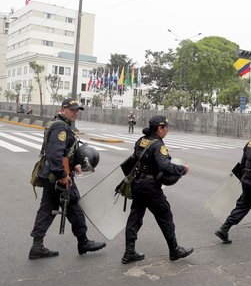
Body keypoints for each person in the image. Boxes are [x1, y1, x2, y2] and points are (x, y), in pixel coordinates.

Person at [29, 98, 106, 259]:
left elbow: (63, 152)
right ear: (62, 109)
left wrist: (72, 165)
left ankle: (37, 246)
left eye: (77, 110)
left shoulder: (57, 123)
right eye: (72, 109)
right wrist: (63, 175)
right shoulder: (60, 127)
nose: (75, 112)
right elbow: (54, 155)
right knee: (74, 207)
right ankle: (83, 242)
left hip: (52, 175)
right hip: (58, 177)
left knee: (46, 209)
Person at [122, 115, 193, 264]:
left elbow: (135, 159)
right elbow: (165, 165)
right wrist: (182, 169)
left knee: (135, 217)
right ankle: (174, 250)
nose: (167, 130)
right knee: (165, 215)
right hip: (150, 188)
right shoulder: (157, 144)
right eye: (166, 127)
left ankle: (129, 252)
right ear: (160, 128)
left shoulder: (141, 140)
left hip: (137, 184)